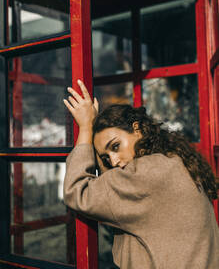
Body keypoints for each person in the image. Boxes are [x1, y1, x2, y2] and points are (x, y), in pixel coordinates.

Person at [63, 80, 219, 269]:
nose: (113, 161)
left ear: (137, 130)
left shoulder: (145, 174)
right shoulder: (171, 162)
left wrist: (86, 128)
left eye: (115, 146)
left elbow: (77, 191)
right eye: (105, 158)